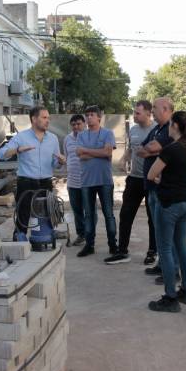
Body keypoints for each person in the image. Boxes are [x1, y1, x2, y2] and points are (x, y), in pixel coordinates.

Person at [146, 111, 186, 312]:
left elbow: (151, 175)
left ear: (175, 126)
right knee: (181, 246)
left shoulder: (170, 149)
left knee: (165, 249)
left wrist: (161, 180)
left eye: (170, 123)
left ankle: (170, 297)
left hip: (169, 203)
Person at [0, 106, 65, 239]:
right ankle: (19, 236)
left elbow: (54, 164)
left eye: (48, 118)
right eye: (44, 117)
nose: (48, 121)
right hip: (26, 182)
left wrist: (60, 162)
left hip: (46, 182)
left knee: (47, 211)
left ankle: (45, 234)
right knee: (23, 213)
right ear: (34, 119)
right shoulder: (21, 137)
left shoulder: (53, 139)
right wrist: (17, 150)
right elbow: (1, 154)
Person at [106, 100, 156, 265]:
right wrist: (123, 159)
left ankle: (152, 251)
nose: (134, 115)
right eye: (134, 112)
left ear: (148, 113)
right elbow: (131, 149)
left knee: (152, 218)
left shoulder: (157, 130)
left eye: (138, 113)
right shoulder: (133, 130)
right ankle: (122, 251)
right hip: (134, 179)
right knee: (126, 214)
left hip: (151, 180)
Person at [137, 97, 175, 278]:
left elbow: (151, 148)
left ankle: (172, 270)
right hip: (152, 187)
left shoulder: (171, 128)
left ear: (166, 109)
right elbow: (142, 148)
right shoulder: (157, 129)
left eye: (155, 107)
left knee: (168, 233)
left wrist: (154, 149)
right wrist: (153, 149)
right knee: (159, 229)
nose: (152, 110)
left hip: (163, 188)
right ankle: (163, 265)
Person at [76, 105, 118, 257]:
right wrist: (100, 153)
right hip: (87, 181)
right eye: (87, 115)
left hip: (104, 180)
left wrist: (88, 151)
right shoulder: (81, 135)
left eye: (92, 114)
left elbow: (108, 152)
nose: (88, 117)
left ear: (99, 117)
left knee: (109, 214)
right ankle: (89, 245)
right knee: (89, 215)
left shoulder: (108, 133)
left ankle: (113, 245)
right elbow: (80, 155)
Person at [64, 114, 87, 246]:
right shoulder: (67, 139)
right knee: (77, 210)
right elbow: (67, 157)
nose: (76, 126)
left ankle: (90, 234)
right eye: (73, 124)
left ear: (84, 124)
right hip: (72, 181)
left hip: (87, 181)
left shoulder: (89, 137)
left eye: (79, 124)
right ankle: (81, 234)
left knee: (89, 211)